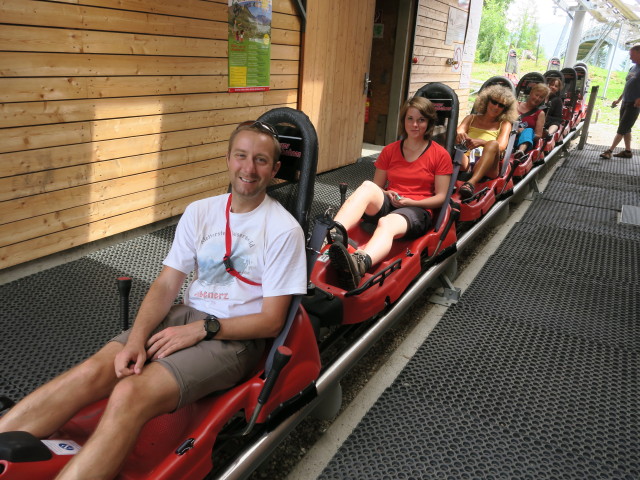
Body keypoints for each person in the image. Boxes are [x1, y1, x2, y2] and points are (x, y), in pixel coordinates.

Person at [0, 121, 307, 480]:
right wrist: (134, 340)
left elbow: (271, 321)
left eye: (260, 160)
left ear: (274, 169)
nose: (248, 168)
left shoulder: (284, 230)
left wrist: (202, 330)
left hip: (234, 336)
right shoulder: (201, 211)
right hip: (184, 315)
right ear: (228, 159)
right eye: (241, 156)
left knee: (129, 393)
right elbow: (165, 284)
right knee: (94, 370)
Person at [328, 96, 452, 290]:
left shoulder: (439, 154)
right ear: (403, 121)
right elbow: (378, 187)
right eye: (410, 119)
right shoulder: (390, 150)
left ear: (428, 123)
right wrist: (387, 193)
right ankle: (332, 233)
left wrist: (413, 202)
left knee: (386, 222)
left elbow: (441, 197)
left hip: (417, 210)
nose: (415, 124)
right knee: (368, 186)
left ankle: (360, 263)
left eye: (421, 120)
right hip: (392, 201)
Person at [455, 85, 518, 199]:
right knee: (448, 139)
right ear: (487, 101)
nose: (496, 107)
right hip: (466, 160)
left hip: (489, 164)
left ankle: (471, 183)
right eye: (494, 102)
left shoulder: (504, 124)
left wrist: (482, 142)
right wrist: (460, 134)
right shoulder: (471, 118)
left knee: (493, 144)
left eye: (501, 105)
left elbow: (501, 146)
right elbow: (460, 130)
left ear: (505, 109)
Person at [600, 44, 640, 159]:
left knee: (622, 128)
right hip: (626, 101)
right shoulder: (633, 68)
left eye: (632, 55)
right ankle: (628, 152)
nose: (630, 58)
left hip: (634, 104)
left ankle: (609, 151)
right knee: (626, 127)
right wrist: (619, 99)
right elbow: (628, 85)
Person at [513, 83, 549, 159]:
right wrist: (516, 129)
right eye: (536, 95)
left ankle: (520, 151)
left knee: (529, 130)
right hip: (509, 135)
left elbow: (538, 135)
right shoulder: (515, 105)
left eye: (541, 97)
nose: (537, 98)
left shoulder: (540, 113)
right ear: (531, 93)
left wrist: (524, 132)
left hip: (523, 140)